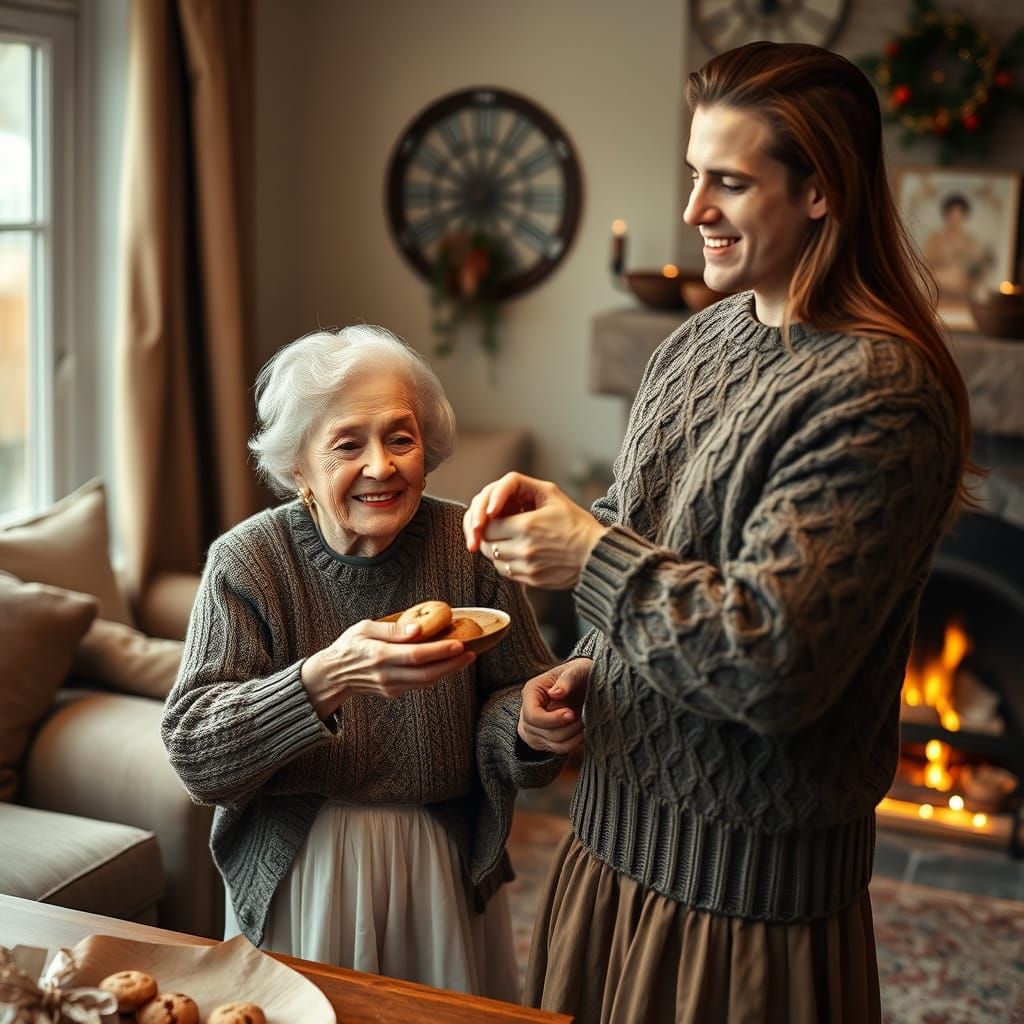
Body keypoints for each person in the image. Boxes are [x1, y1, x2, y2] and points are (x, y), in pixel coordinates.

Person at [463, 41, 973, 1023]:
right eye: (694, 174)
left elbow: (770, 658)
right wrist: (585, 655)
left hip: (745, 911)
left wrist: (589, 553)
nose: (693, 209)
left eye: (728, 181)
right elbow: (649, 534)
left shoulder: (883, 393)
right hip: (603, 852)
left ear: (820, 189)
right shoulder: (700, 337)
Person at [161, 324, 565, 1001]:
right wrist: (327, 677)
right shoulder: (249, 563)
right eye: (348, 444)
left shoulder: (468, 546)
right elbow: (195, 754)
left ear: (427, 450)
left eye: (400, 438)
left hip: (441, 862)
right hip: (303, 868)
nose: (381, 465)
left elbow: (515, 702)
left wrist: (529, 725)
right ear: (299, 469)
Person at [923, 193, 993, 306]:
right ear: (946, 215)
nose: (956, 218)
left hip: (964, 282)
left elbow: (977, 264)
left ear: (964, 216)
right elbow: (926, 261)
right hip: (940, 278)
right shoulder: (936, 238)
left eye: (959, 214)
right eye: (952, 214)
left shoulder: (970, 240)